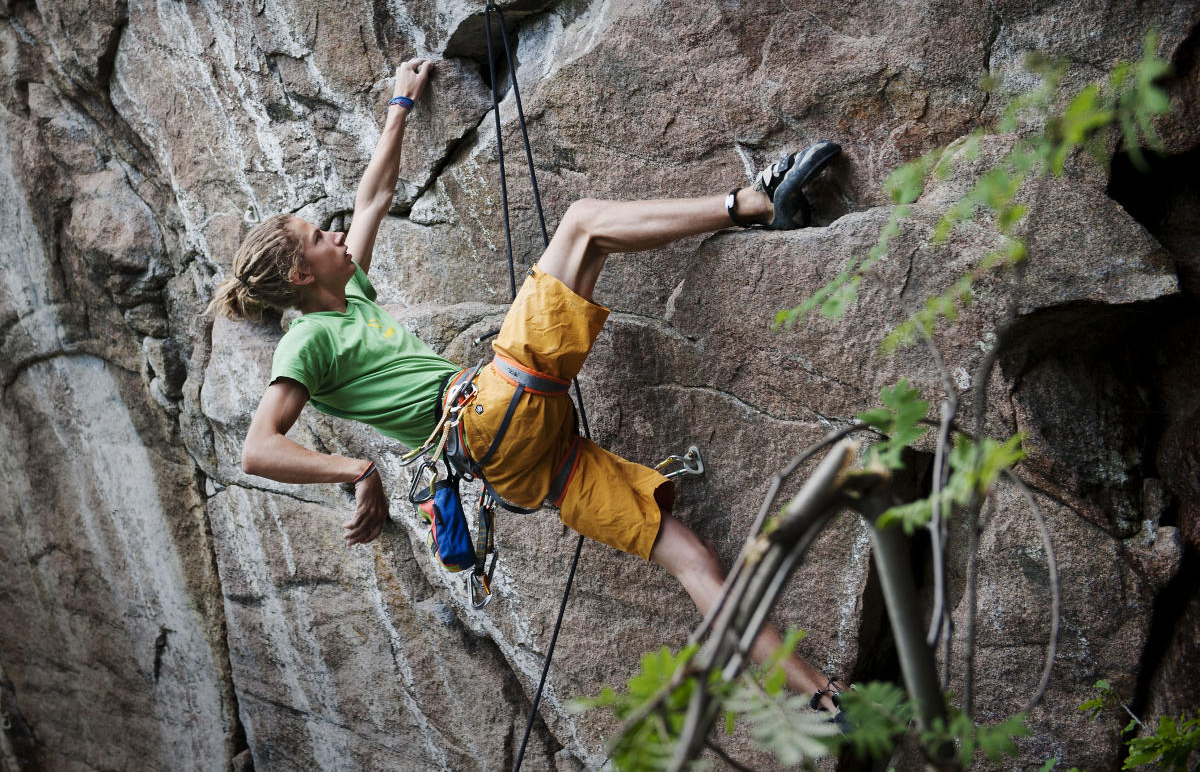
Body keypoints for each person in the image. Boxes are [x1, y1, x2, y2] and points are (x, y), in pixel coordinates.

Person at [207, 58, 846, 712]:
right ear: (297, 273)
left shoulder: (354, 296)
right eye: (319, 236)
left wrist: (400, 105)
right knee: (582, 225)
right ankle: (759, 202)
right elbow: (259, 446)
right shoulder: (307, 339)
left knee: (688, 554)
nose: (336, 233)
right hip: (487, 414)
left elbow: (372, 197)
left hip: (526, 466)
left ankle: (823, 695)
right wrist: (358, 469)